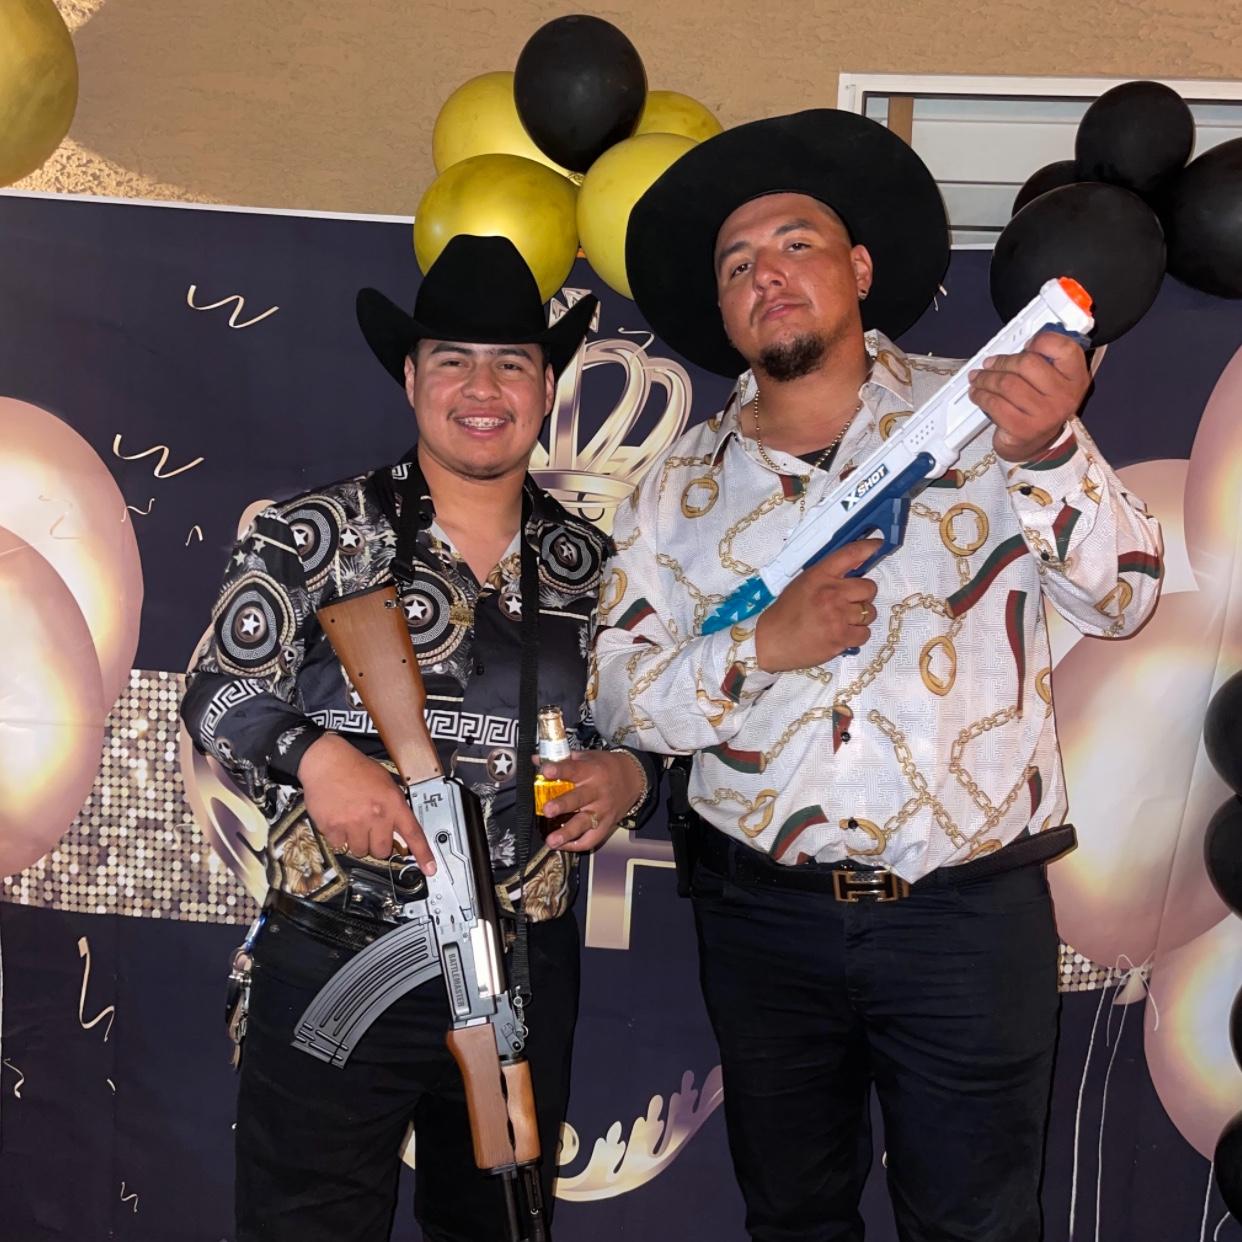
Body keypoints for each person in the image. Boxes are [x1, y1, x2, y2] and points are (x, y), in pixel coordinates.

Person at [592, 109, 1162, 1242]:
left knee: (978, 1226)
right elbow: (618, 693)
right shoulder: (669, 488)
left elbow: (1127, 599)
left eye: (796, 244)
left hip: (966, 918)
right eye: (738, 264)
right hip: (763, 920)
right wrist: (759, 648)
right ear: (722, 310)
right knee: (793, 1218)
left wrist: (1049, 453)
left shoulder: (992, 413)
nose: (767, 274)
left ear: (858, 269)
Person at [181, 233, 656, 1242]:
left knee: (500, 1225)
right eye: (452, 360)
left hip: (521, 965)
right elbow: (217, 690)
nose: (482, 389)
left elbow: (659, 726)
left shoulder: (602, 566)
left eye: (512, 363)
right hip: (336, 949)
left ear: (546, 387)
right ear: (410, 378)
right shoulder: (313, 532)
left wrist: (631, 774)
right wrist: (317, 758)